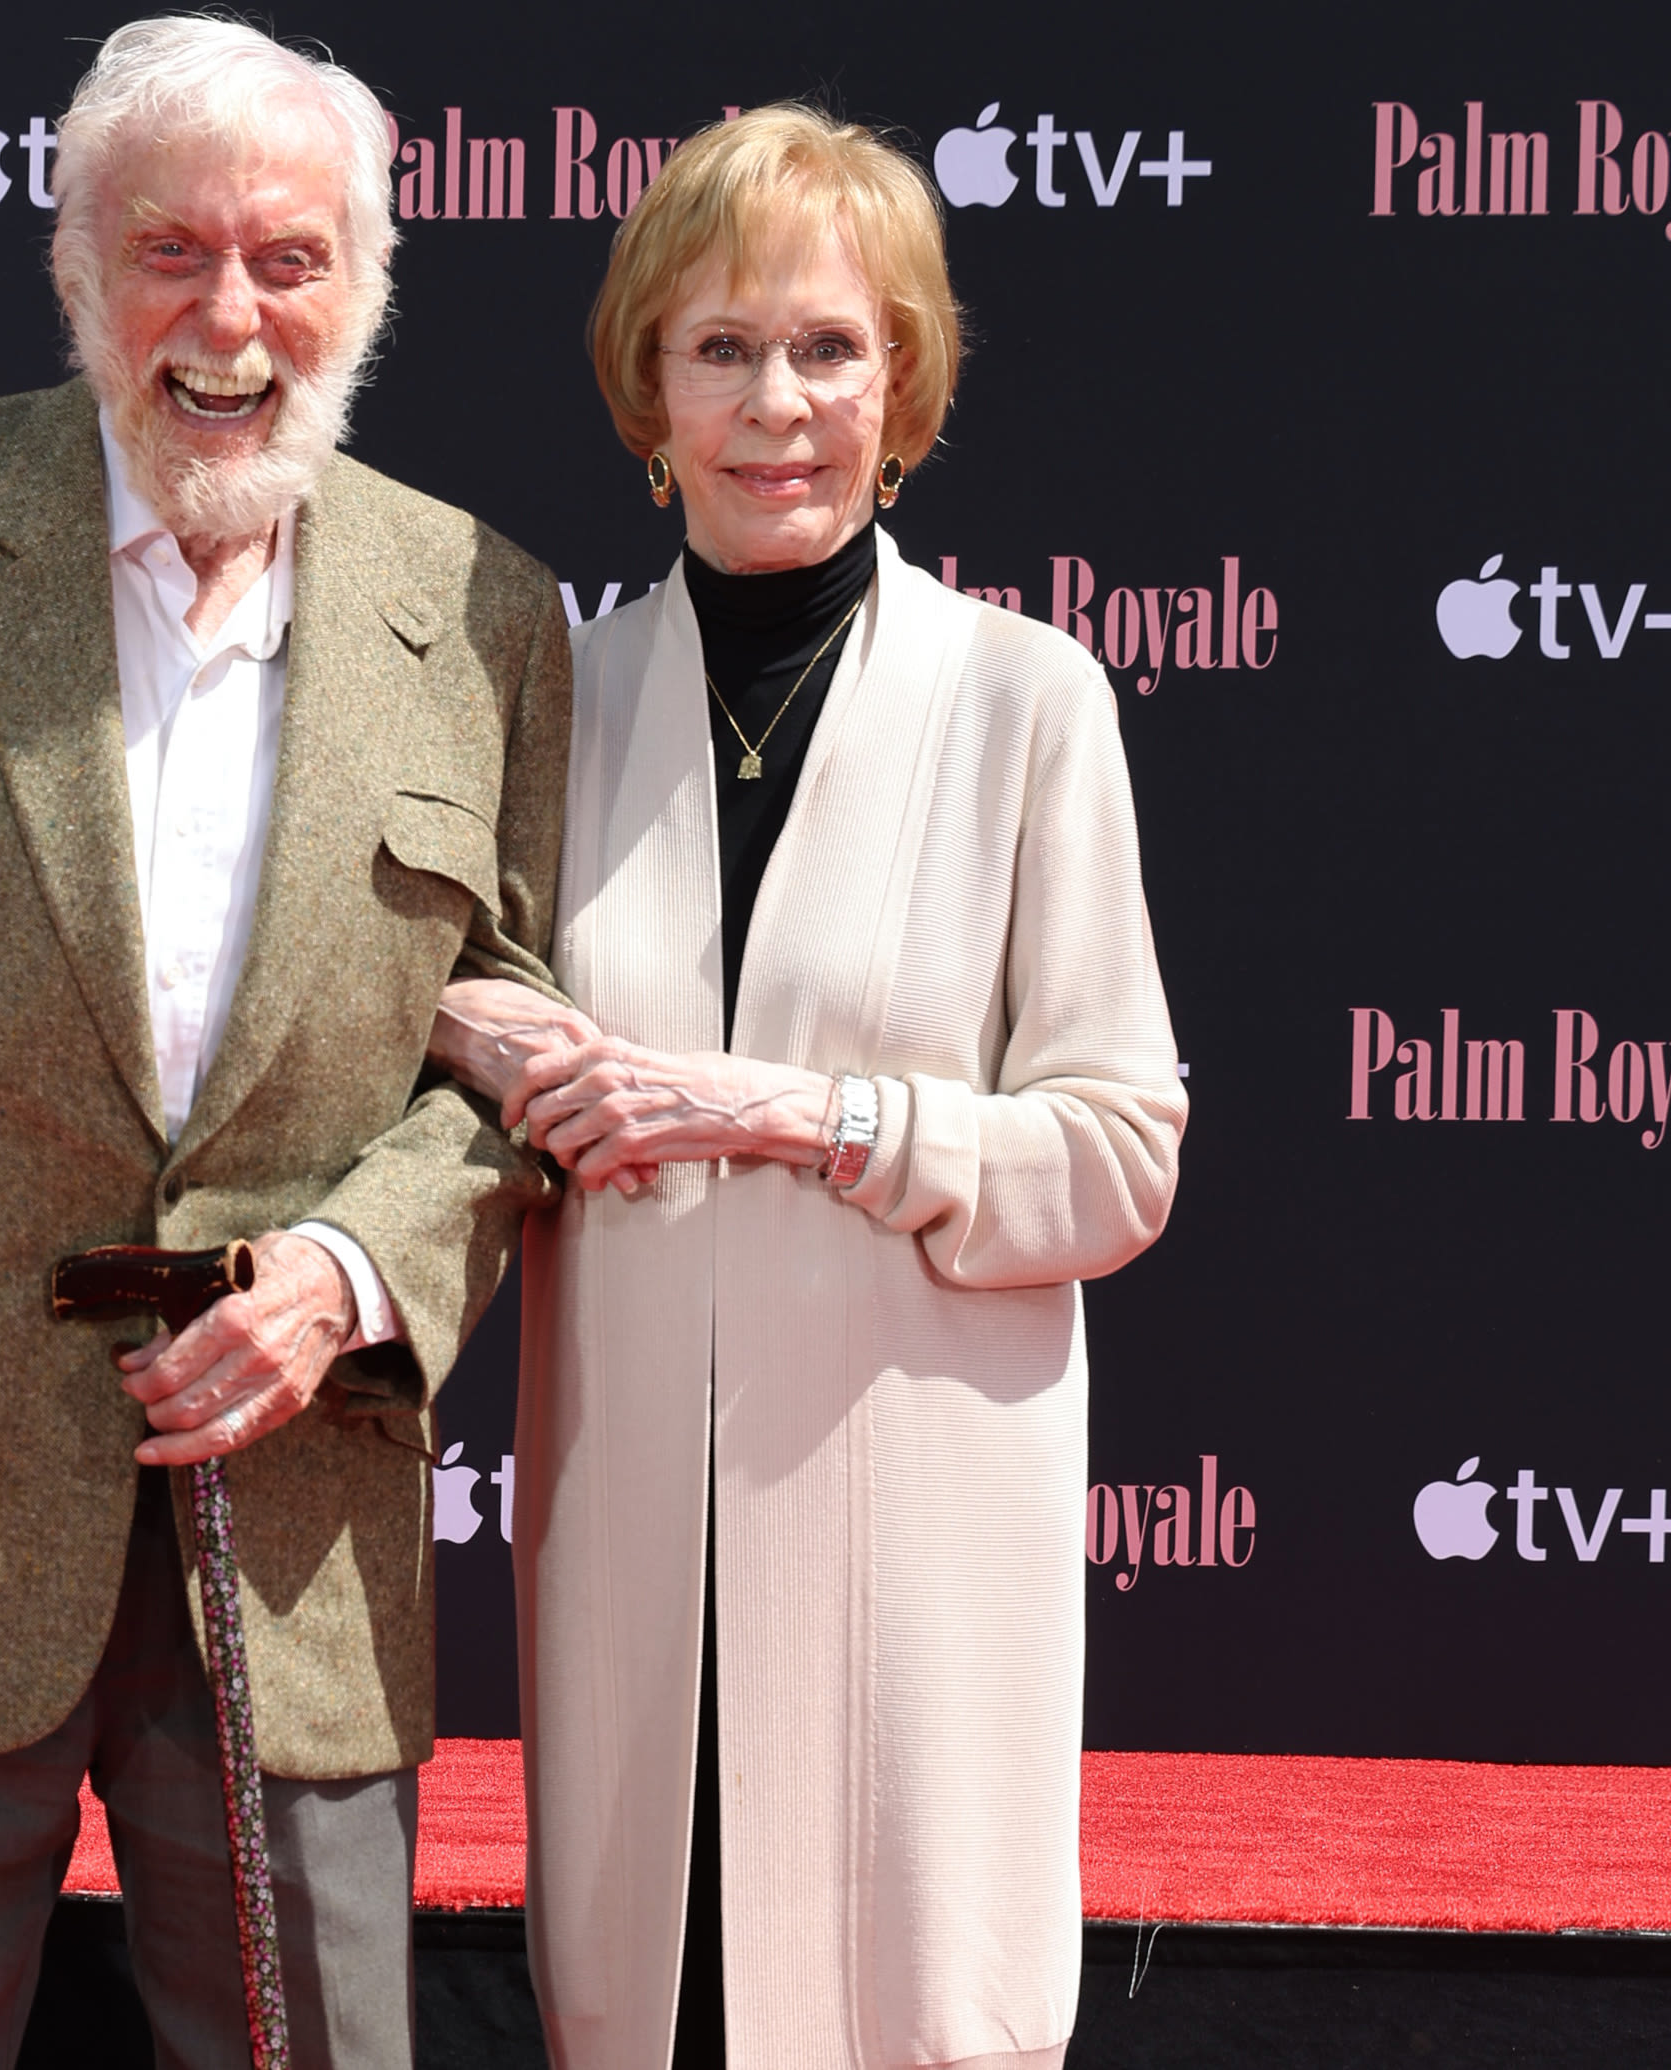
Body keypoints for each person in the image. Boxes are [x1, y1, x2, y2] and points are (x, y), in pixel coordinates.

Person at [0, 19, 571, 2068]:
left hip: (296, 1516)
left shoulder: (479, 605)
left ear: (368, 287)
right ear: (74, 269)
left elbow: (507, 1069)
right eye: (169, 253)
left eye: (290, 260)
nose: (229, 316)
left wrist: (342, 1277)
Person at [426, 105, 1186, 2069]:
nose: (777, 403)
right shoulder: (554, 698)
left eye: (828, 348)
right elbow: (391, 990)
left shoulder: (1029, 703)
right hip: (633, 1570)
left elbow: (1111, 1159)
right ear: (645, 390)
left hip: (907, 1579)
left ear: (902, 380)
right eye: (721, 348)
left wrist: (795, 1113)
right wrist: (452, 1021)